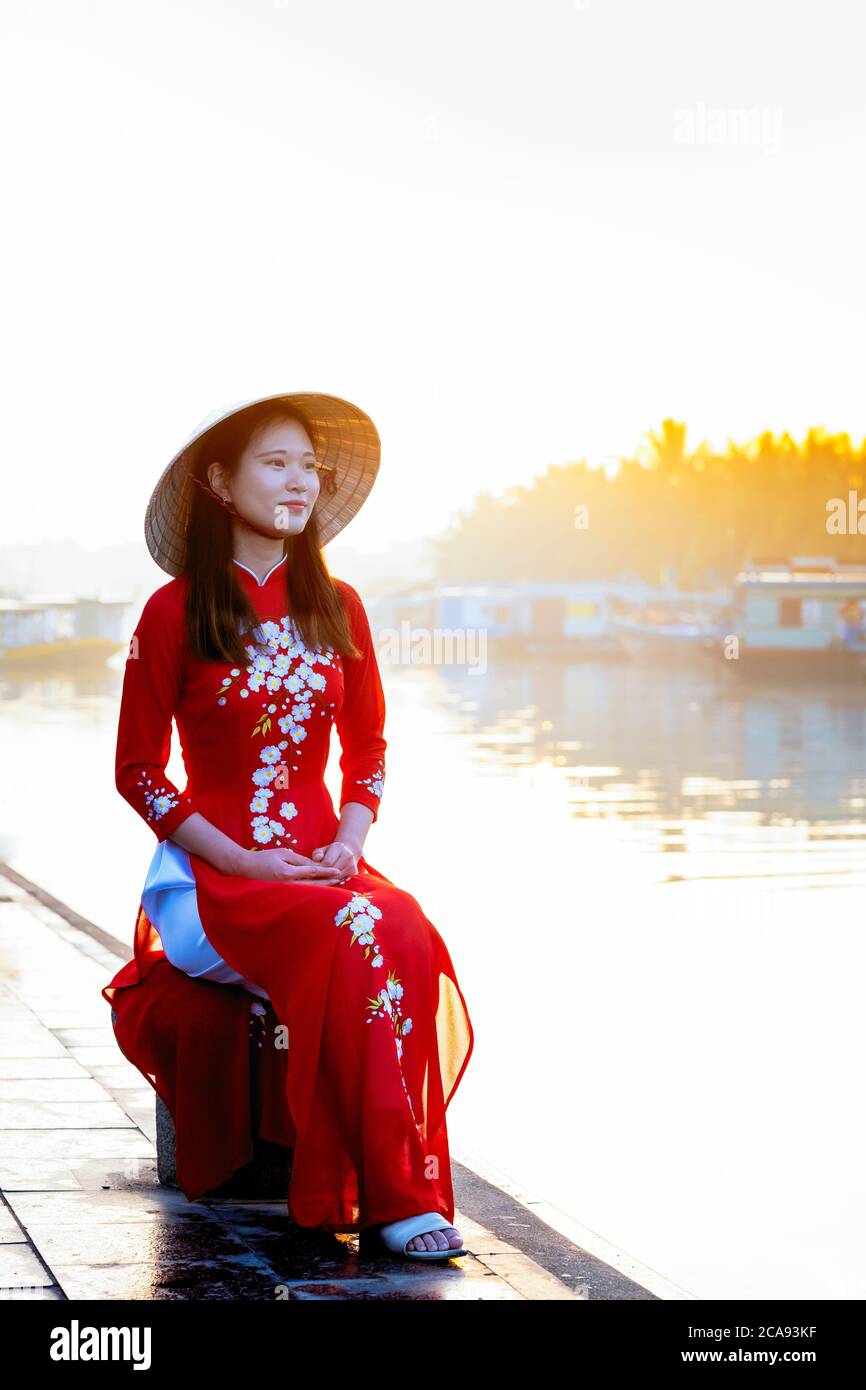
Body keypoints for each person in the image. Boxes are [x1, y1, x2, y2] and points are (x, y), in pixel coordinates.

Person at [101, 391, 475, 1261]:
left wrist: (351, 839)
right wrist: (242, 861)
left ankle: (392, 1174)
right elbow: (137, 771)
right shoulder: (173, 611)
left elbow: (370, 749)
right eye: (276, 463)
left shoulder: (337, 603)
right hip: (215, 880)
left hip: (324, 867)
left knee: (406, 926)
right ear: (221, 482)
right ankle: (393, 1198)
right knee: (351, 929)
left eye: (310, 466)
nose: (299, 481)